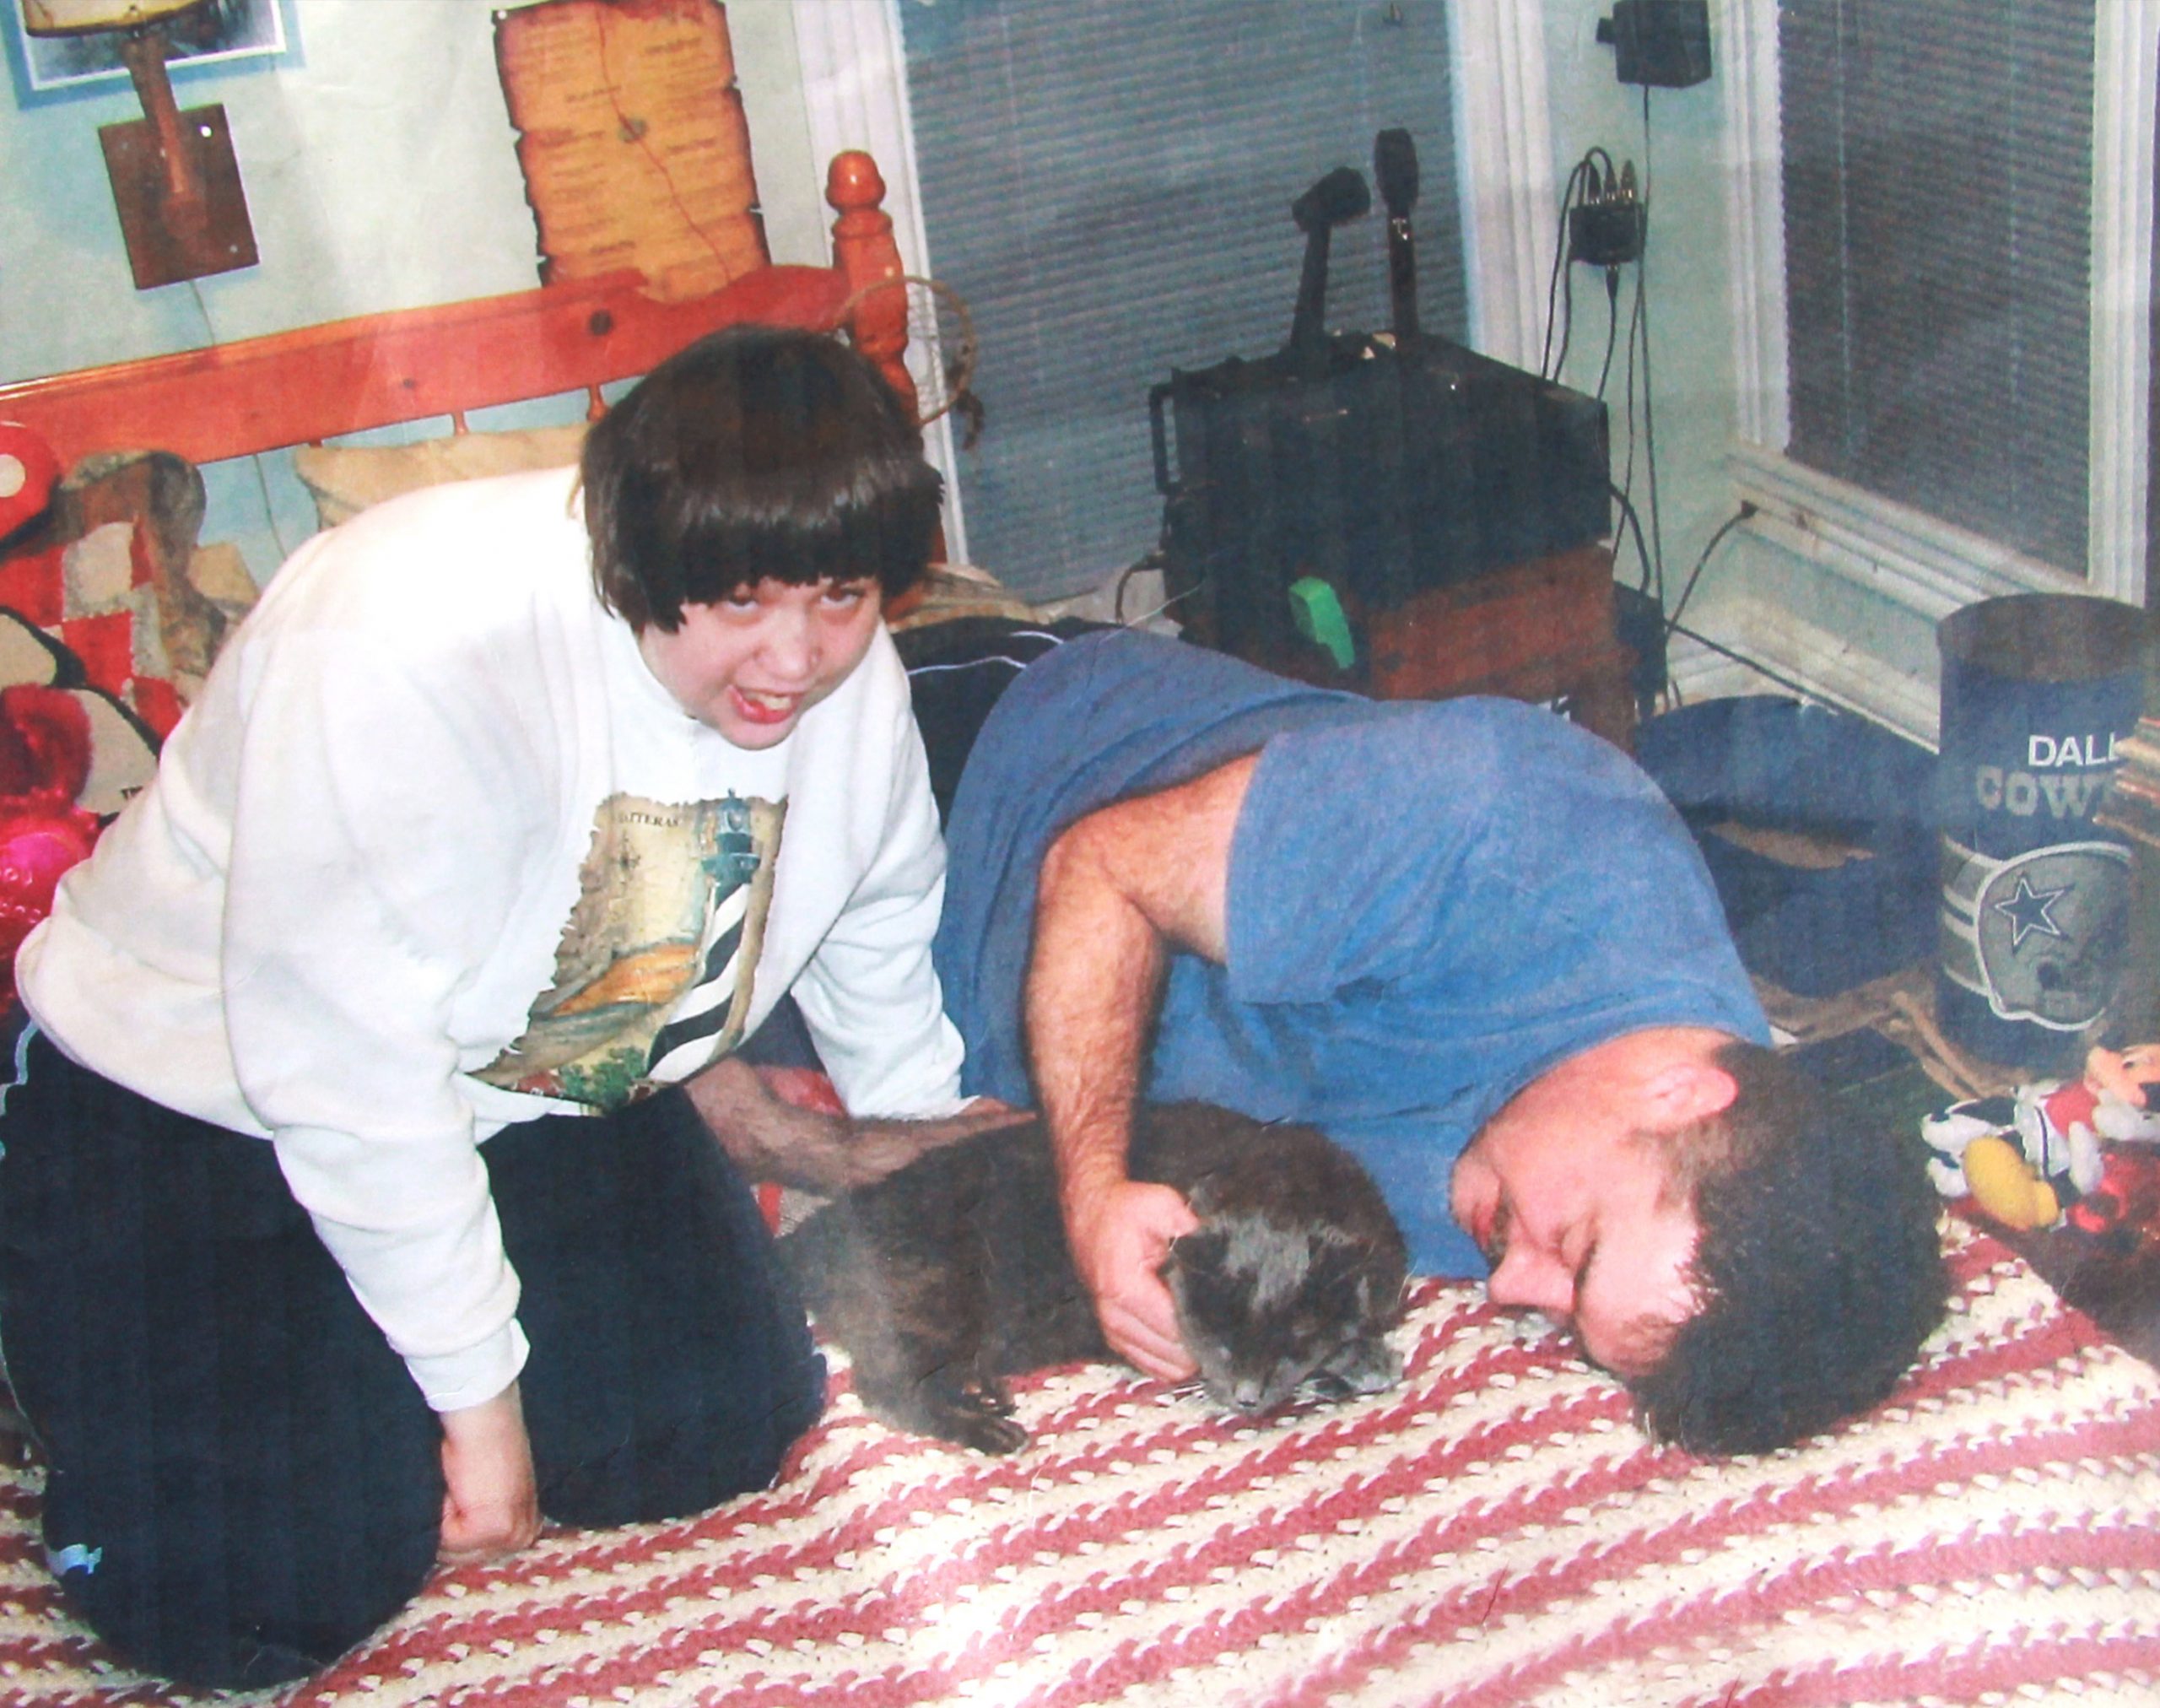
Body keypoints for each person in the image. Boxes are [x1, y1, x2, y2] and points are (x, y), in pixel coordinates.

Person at [0, 326, 1011, 1689]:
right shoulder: (408, 646)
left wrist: (936, 1198)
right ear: (643, 550)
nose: (797, 655)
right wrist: (475, 1394)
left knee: (722, 1419)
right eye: (742, 600)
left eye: (840, 595)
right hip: (197, 1090)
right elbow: (344, 1067)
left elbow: (875, 939)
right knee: (276, 1579)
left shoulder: (853, 689)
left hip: (527, 1084)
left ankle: (361, 1331)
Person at [916, 623, 1947, 1457]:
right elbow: (1104, 867)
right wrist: (1087, 1186)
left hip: (948, 1044)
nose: (1508, 1286)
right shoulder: (1506, 824)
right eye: (1574, 1251)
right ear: (1679, 1094)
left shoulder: (1614, 1165)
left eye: (1561, 1319)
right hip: (986, 773)